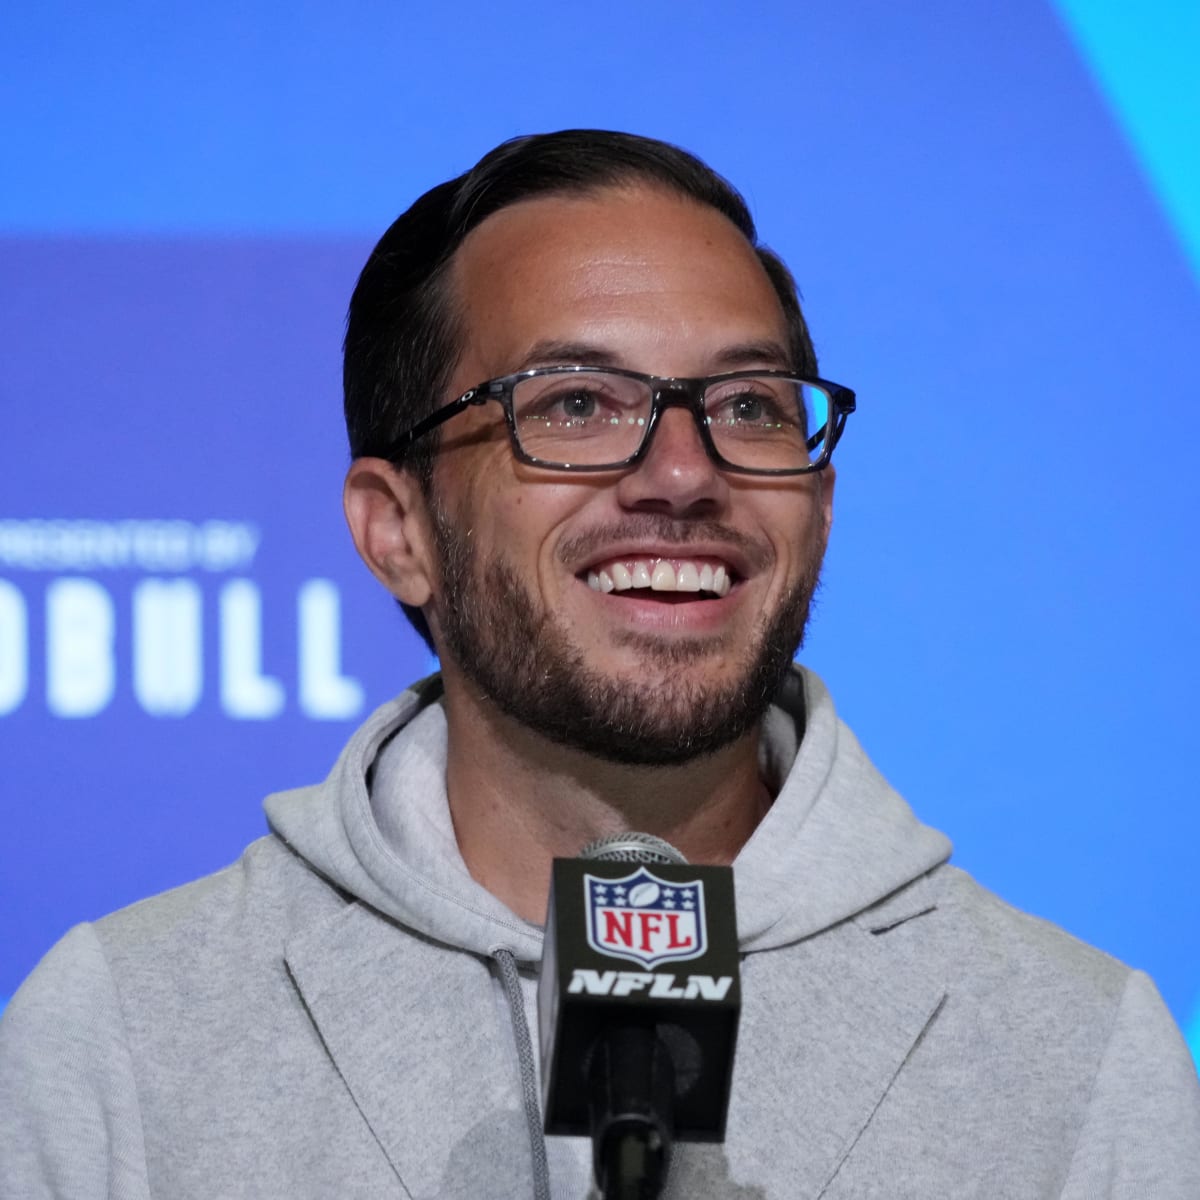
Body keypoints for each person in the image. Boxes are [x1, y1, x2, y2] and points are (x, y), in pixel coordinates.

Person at [1, 130, 1197, 1199]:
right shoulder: (121, 1033)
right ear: (396, 531)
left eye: (749, 406)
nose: (683, 472)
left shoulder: (1082, 1052)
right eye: (573, 403)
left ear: (820, 503)